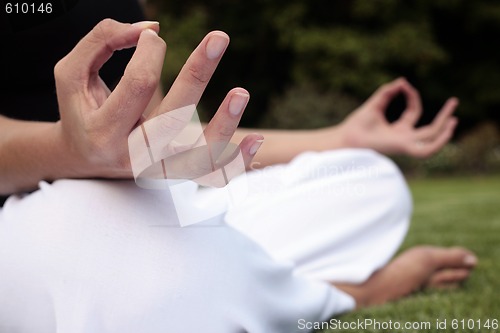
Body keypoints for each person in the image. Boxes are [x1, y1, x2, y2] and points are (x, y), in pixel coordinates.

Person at [0, 5, 476, 333]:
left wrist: (340, 140)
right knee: (133, 265)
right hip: (33, 206)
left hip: (145, 197)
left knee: (371, 179)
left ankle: (223, 272)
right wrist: (69, 149)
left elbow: (169, 142)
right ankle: (345, 293)